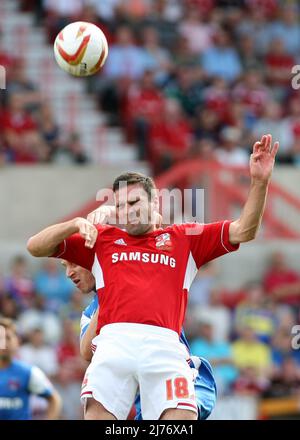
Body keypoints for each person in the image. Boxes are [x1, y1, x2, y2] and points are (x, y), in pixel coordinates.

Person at [27, 134, 279, 420]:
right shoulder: (102, 238)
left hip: (164, 344)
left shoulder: (185, 238)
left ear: (155, 202)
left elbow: (245, 230)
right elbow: (35, 246)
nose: (127, 211)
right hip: (114, 343)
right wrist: (74, 223)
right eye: (120, 206)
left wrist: (260, 182)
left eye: (134, 202)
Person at [61, 259, 217, 420]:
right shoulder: (89, 313)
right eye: (65, 267)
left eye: (74, 263)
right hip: (142, 392)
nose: (69, 273)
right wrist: (109, 294)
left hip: (182, 377)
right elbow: (86, 351)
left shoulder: (140, 282)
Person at [0, 317, 61, 420]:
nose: (4, 343)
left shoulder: (28, 372)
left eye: (8, 338)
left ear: (17, 341)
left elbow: (54, 400)